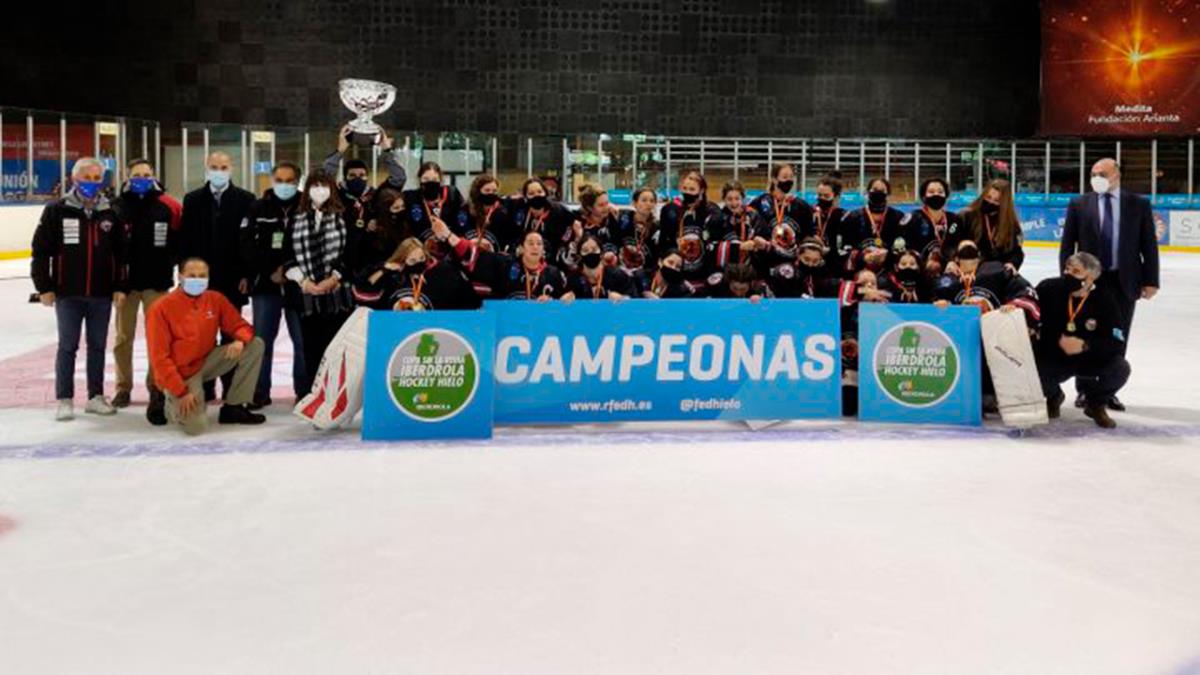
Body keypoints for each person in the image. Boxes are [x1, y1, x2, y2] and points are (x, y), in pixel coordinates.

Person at [31, 157, 127, 421]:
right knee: (67, 347)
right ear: (74, 179)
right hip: (67, 294)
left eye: (98, 178)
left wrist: (120, 286)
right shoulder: (56, 210)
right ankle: (65, 399)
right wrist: (44, 287)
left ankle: (95, 396)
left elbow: (121, 254)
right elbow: (40, 252)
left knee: (97, 346)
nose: (92, 183)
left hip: (101, 294)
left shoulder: (111, 212)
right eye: (87, 177)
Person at [1059, 157, 1159, 411]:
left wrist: (1151, 280)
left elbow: (1149, 245)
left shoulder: (1138, 204)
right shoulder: (1079, 204)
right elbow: (1067, 245)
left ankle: (1107, 390)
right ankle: (1084, 389)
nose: (1096, 178)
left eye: (1102, 173)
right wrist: (1067, 279)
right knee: (1086, 333)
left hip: (1124, 282)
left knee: (1118, 336)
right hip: (1089, 283)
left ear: (1117, 175)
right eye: (1093, 173)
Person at [146, 257, 266, 434]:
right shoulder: (161, 308)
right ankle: (166, 399)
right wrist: (181, 392)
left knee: (254, 344)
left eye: (202, 276)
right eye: (192, 275)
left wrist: (240, 339)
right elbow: (159, 359)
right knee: (196, 428)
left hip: (206, 361)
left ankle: (234, 407)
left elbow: (241, 326)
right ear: (180, 277)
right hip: (181, 373)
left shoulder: (215, 299)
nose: (197, 280)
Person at [180, 151, 256, 401]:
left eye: (223, 166)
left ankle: (231, 387)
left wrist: (247, 273)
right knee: (202, 336)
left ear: (231, 168)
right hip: (199, 282)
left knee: (230, 335)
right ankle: (206, 385)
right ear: (206, 168)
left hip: (233, 280)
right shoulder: (192, 200)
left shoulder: (246, 199)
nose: (219, 171)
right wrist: (184, 275)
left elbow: (248, 241)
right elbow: (186, 241)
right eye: (214, 166)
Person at [110, 158, 182, 423]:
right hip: (126, 287)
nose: (142, 178)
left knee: (158, 340)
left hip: (157, 284)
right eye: (137, 174)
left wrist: (167, 264)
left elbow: (178, 241)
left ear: (154, 176)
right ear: (128, 177)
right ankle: (123, 388)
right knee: (123, 338)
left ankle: (156, 386)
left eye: (147, 174)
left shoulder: (169, 206)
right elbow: (112, 248)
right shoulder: (117, 207)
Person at [1035, 252, 1131, 429]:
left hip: (1089, 357)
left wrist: (1085, 346)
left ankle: (1095, 404)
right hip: (1055, 356)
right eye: (1066, 269)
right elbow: (1028, 305)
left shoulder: (1105, 299)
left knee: (1120, 368)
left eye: (1076, 272)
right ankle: (1054, 395)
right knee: (1030, 367)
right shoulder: (1048, 288)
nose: (1068, 275)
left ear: (1091, 278)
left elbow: (1116, 342)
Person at [241, 161, 308, 409]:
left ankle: (304, 390)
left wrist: (291, 270)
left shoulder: (307, 206)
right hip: (265, 285)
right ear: (272, 180)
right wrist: (270, 271)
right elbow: (247, 245)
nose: (284, 185)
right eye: (279, 180)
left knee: (301, 341)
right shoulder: (257, 207)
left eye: (289, 181)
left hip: (297, 285)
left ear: (297, 182)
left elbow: (310, 244)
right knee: (261, 340)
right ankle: (259, 391)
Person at [283, 170, 356, 396]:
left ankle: (336, 395)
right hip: (306, 296)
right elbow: (286, 256)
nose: (319, 190)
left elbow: (352, 253)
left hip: (336, 294)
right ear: (307, 189)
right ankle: (314, 396)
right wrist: (304, 281)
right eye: (314, 185)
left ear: (332, 188)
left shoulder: (344, 215)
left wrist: (334, 277)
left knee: (336, 348)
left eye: (324, 185)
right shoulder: (296, 218)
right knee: (310, 349)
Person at [436, 222, 570, 301]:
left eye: (539, 244)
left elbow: (568, 299)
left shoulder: (553, 273)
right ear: (522, 248)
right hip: (506, 329)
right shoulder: (505, 264)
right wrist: (449, 235)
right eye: (530, 243)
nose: (535, 247)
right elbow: (474, 255)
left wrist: (554, 302)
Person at [353, 237, 479, 311]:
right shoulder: (393, 273)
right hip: (395, 330)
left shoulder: (442, 271)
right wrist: (384, 269)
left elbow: (466, 299)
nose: (418, 263)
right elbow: (363, 291)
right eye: (412, 261)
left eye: (422, 259)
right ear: (402, 260)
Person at [840, 177, 908, 270]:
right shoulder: (853, 217)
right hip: (860, 268)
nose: (878, 192)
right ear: (868, 192)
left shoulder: (898, 217)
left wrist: (888, 255)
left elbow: (902, 245)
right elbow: (846, 246)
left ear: (888, 194)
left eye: (882, 190)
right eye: (875, 189)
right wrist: (863, 257)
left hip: (889, 268)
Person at [504, 177, 576, 261]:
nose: (536, 196)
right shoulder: (518, 208)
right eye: (531, 193)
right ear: (525, 197)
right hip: (524, 257)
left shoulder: (559, 211)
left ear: (545, 193)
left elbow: (573, 226)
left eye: (540, 192)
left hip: (550, 259)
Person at [962, 178, 1025, 272]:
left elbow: (1016, 252)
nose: (990, 202)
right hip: (973, 269)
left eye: (996, 200)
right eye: (988, 197)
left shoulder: (1011, 224)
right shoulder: (968, 217)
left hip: (999, 271)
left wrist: (1012, 264)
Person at [903, 178, 965, 266]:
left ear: (946, 196)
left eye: (940, 192)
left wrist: (952, 262)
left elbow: (959, 246)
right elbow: (903, 247)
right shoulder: (913, 218)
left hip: (949, 266)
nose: (936, 195)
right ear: (924, 196)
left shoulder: (954, 219)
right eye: (931, 192)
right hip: (918, 266)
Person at [712, 180, 770, 274]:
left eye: (737, 198)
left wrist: (760, 243)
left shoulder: (753, 215)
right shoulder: (719, 218)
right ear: (724, 200)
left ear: (743, 198)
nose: (734, 203)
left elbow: (765, 237)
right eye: (729, 199)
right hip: (727, 267)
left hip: (751, 266)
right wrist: (739, 247)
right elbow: (714, 245)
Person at [404, 161, 467, 247]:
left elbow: (462, 220)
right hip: (422, 248)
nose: (430, 182)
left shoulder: (452, 194)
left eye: (434, 179)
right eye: (425, 179)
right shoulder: (411, 197)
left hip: (450, 245)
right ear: (419, 179)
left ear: (440, 180)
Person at [612, 187, 659, 294]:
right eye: (644, 200)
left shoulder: (656, 227)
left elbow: (655, 258)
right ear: (634, 203)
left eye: (652, 201)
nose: (649, 204)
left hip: (644, 274)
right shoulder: (624, 217)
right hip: (621, 270)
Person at [563, 232, 636, 300]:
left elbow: (634, 299)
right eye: (585, 250)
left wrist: (622, 298)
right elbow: (561, 304)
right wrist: (566, 299)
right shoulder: (573, 278)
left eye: (594, 249)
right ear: (579, 256)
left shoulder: (617, 275)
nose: (590, 253)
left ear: (601, 253)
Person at [749, 162, 814, 238]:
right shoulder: (761, 202)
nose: (789, 180)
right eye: (785, 177)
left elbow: (809, 233)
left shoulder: (801, 205)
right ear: (774, 179)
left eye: (791, 177)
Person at [462, 174, 517, 254]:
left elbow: (509, 239)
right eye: (487, 190)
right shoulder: (465, 210)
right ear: (477, 192)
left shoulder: (502, 213)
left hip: (493, 259)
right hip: (469, 257)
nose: (491, 194)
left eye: (494, 191)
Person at [812, 173, 846, 268]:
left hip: (834, 263)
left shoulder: (844, 216)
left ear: (836, 196)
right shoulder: (809, 213)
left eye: (826, 196)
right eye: (819, 195)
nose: (822, 199)